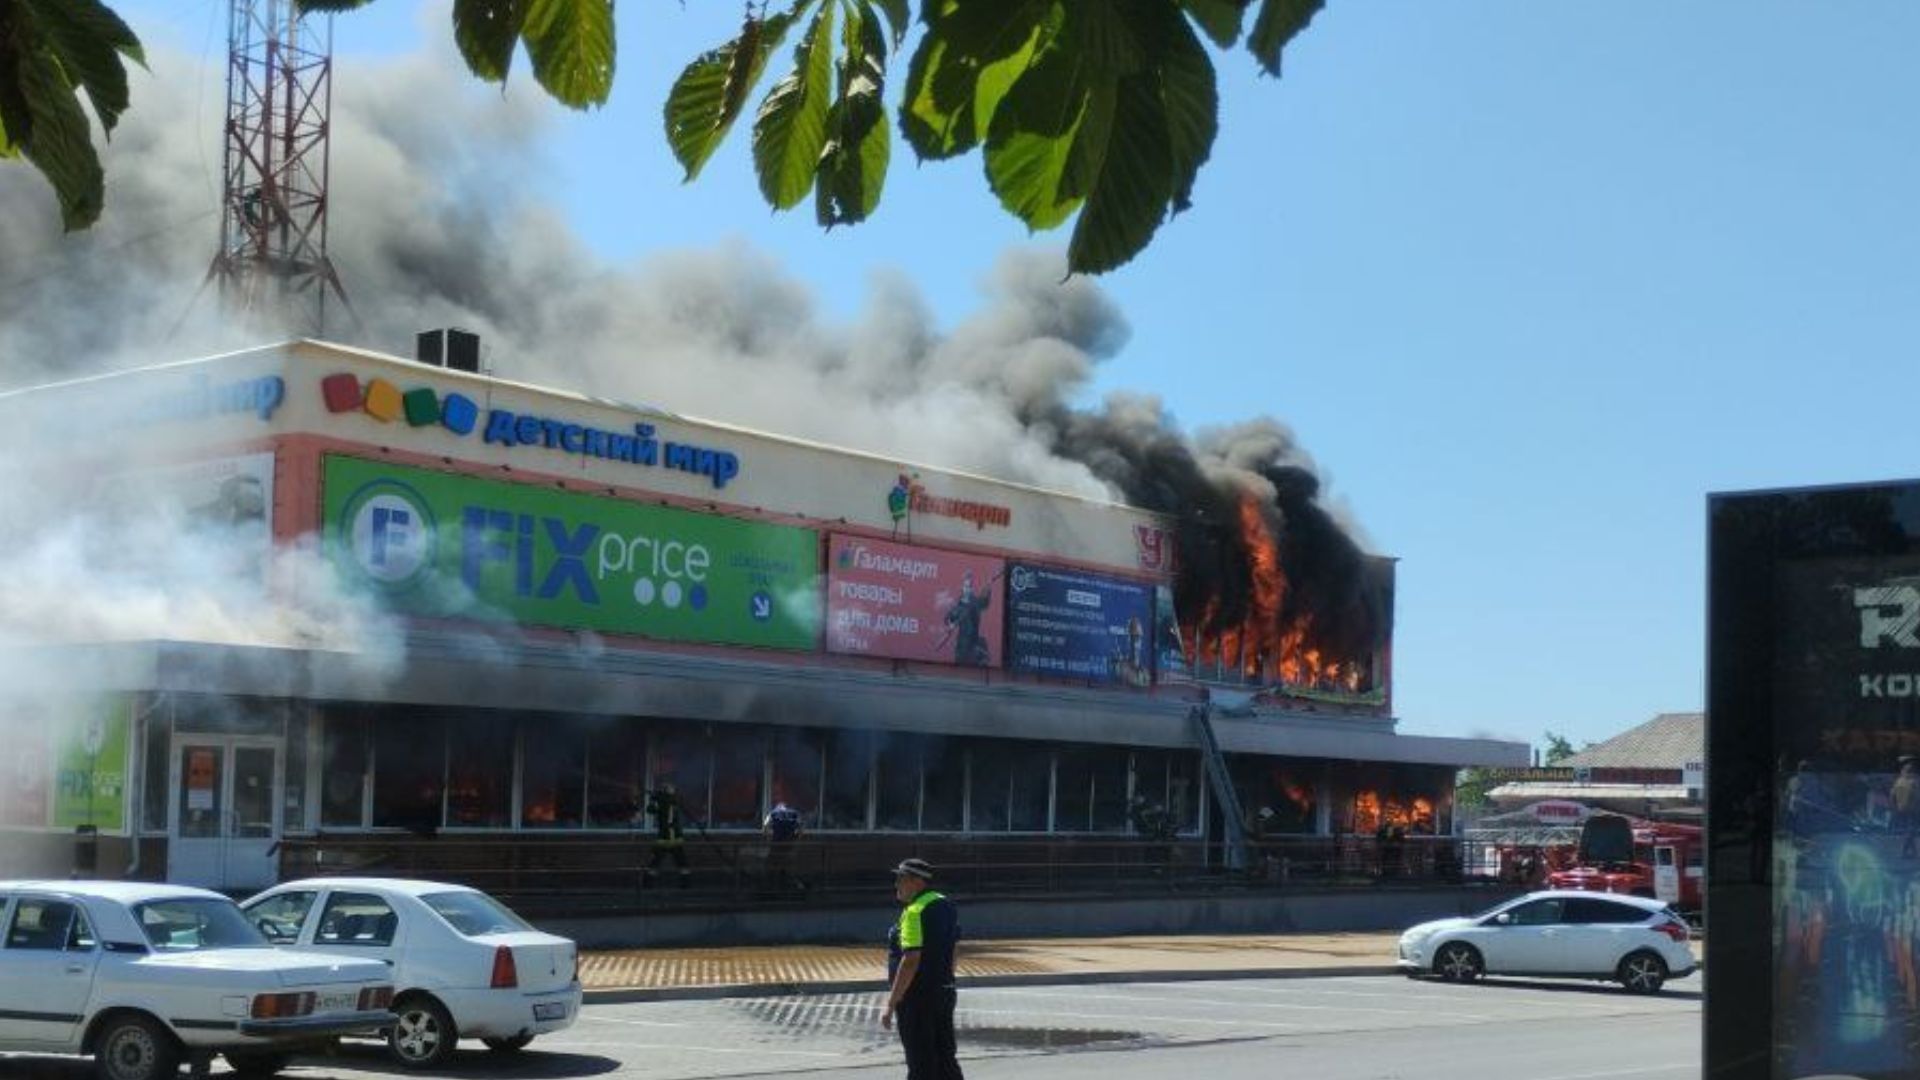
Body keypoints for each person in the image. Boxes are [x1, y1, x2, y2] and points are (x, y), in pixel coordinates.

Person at [882, 858, 963, 1080]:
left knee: (921, 1062)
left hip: (917, 998)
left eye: (901, 879)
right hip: (944, 991)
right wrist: (946, 979)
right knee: (945, 1058)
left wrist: (891, 1003)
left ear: (917, 882)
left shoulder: (914, 911)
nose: (896, 884)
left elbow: (911, 960)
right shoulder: (945, 904)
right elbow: (955, 947)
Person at [640, 782, 691, 889]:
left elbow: (650, 809)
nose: (671, 790)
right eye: (669, 788)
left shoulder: (667, 801)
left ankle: (647, 884)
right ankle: (686, 883)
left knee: (656, 861)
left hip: (665, 837)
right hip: (674, 837)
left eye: (669, 788)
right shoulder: (671, 800)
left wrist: (655, 799)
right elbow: (651, 810)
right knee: (680, 862)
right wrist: (656, 798)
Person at [942, 571, 995, 666]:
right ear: (962, 588)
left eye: (970, 587)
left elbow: (985, 602)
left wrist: (989, 585)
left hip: (973, 646)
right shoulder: (957, 607)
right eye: (966, 586)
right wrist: (950, 625)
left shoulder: (976, 603)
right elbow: (947, 619)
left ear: (972, 589)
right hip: (961, 648)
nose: (967, 589)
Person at [763, 800, 806, 891]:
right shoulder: (794, 813)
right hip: (789, 842)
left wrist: (767, 837)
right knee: (788, 861)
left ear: (778, 807)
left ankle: (772, 884)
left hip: (777, 842)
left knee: (773, 861)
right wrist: (798, 837)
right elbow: (801, 826)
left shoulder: (773, 813)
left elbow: (765, 824)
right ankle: (788, 882)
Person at [1894, 757, 1920, 858]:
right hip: (1912, 809)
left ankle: (1913, 852)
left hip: (1904, 808)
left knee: (1910, 830)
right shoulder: (1912, 782)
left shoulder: (1900, 781)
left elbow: (1894, 795)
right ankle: (1905, 852)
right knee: (1911, 830)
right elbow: (1915, 796)